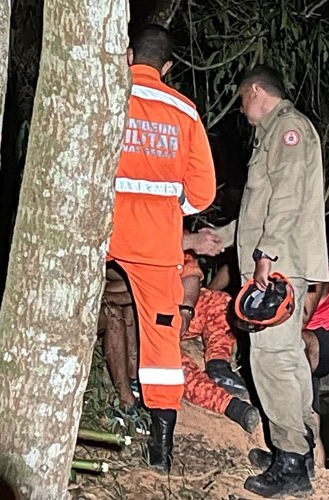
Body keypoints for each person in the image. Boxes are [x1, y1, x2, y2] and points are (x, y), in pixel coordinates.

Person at [214, 64, 329, 497]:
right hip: (282, 261)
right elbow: (259, 212)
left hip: (279, 268)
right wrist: (220, 238)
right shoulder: (277, 133)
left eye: (242, 99)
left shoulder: (287, 130)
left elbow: (286, 200)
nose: (242, 110)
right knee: (289, 360)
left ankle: (291, 467)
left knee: (273, 362)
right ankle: (297, 450)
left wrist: (266, 256)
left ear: (256, 92)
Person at [107, 24, 216, 473]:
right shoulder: (184, 111)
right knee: (161, 340)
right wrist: (168, 208)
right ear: (168, 66)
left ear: (128, 55)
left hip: (100, 232)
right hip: (154, 244)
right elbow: (203, 193)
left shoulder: (107, 96)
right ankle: (162, 452)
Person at [100, 244, 261, 434]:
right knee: (171, 363)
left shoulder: (161, 238)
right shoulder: (114, 250)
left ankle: (218, 365)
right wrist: (145, 290)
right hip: (146, 322)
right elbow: (109, 295)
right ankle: (228, 405)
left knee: (219, 301)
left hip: (173, 307)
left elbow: (190, 273)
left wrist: (185, 311)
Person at [248, 270, 329, 470]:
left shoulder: (315, 272)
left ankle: (308, 463)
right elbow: (230, 268)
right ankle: (302, 463)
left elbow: (301, 319)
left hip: (324, 340)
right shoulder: (268, 267)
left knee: (293, 344)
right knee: (308, 407)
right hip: (293, 346)